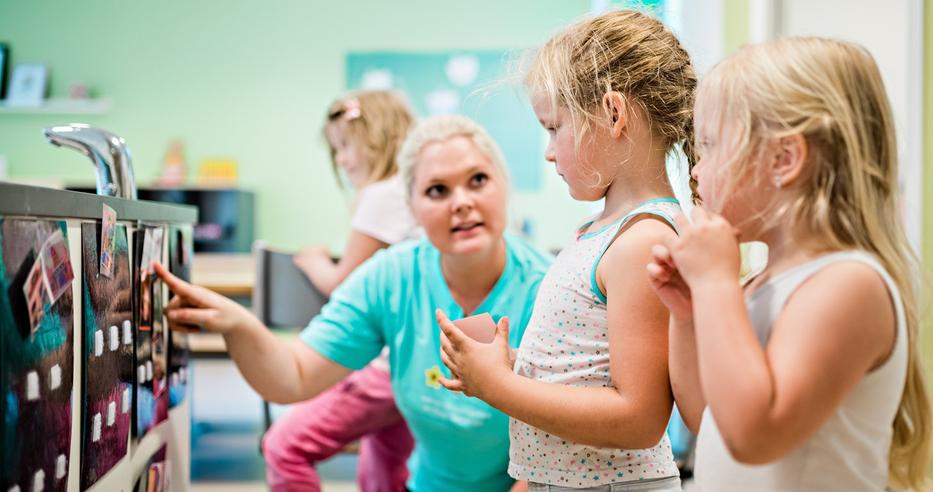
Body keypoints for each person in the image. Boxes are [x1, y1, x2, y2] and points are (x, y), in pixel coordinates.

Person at [156, 115, 551, 491]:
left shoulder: (546, 288)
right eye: (437, 190)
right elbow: (293, 376)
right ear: (412, 209)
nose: (461, 202)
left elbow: (562, 440)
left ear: (504, 184)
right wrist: (236, 323)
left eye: (478, 180)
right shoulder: (391, 277)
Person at [646, 37, 933, 490]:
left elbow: (754, 435)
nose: (696, 169)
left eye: (708, 146)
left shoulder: (849, 285)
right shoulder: (757, 285)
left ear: (785, 159)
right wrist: (691, 317)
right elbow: (709, 418)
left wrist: (714, 286)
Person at [436, 9, 698, 490]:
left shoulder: (641, 241)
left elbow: (638, 418)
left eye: (554, 127)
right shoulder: (605, 232)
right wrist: (515, 367)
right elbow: (594, 375)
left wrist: (500, 386)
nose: (549, 151)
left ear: (614, 115)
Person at [262, 90, 418, 492]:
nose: (343, 161)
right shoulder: (410, 192)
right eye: (337, 151)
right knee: (385, 461)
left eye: (346, 147)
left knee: (282, 446)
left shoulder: (383, 195)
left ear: (378, 140)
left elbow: (344, 285)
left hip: (388, 362)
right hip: (417, 360)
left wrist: (314, 260)